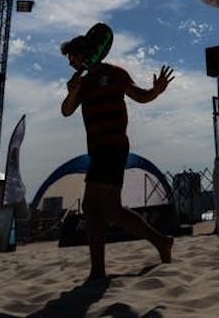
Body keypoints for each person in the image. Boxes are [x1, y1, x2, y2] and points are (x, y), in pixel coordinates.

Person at [60, 32, 175, 282]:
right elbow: (66, 111)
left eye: (72, 58)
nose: (70, 63)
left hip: (112, 147)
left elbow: (140, 96)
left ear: (84, 55)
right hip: (101, 149)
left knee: (91, 207)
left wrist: (156, 90)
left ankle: (98, 271)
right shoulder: (82, 83)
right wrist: (72, 92)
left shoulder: (115, 73)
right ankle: (162, 242)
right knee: (111, 210)